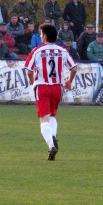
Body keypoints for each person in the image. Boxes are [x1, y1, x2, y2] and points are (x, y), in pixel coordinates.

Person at [24, 24, 77, 161]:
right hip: (57, 88)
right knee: (52, 115)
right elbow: (74, 68)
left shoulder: (37, 50)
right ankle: (53, 135)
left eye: (41, 34)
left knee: (44, 118)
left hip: (42, 87)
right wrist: (69, 81)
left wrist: (32, 81)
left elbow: (29, 71)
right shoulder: (62, 51)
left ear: (45, 36)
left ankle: (51, 145)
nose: (40, 36)